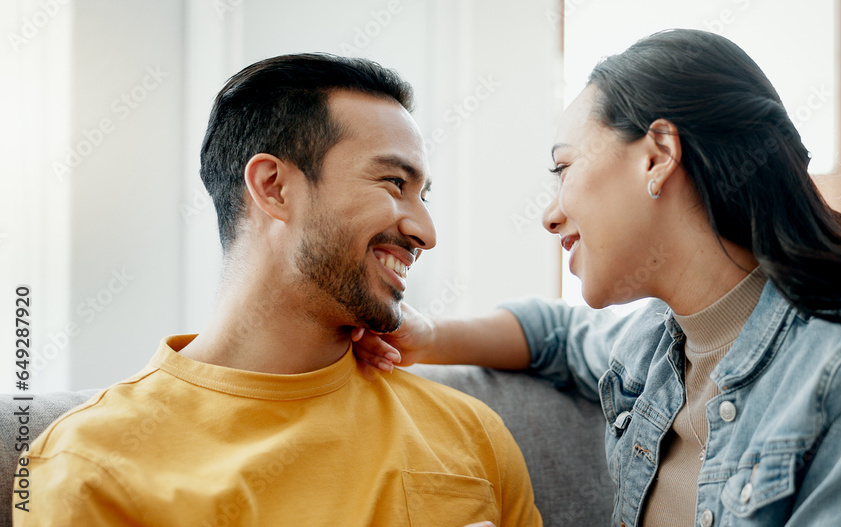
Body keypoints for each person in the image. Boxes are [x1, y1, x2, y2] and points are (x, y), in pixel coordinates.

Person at [355, 30, 841, 526]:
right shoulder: (655, 348)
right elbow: (554, 334)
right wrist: (425, 333)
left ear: (658, 157)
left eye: (564, 167)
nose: (550, 215)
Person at [14, 53, 541, 527]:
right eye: (394, 184)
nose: (426, 232)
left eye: (424, 195)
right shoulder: (87, 464)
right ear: (273, 187)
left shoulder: (471, 435)